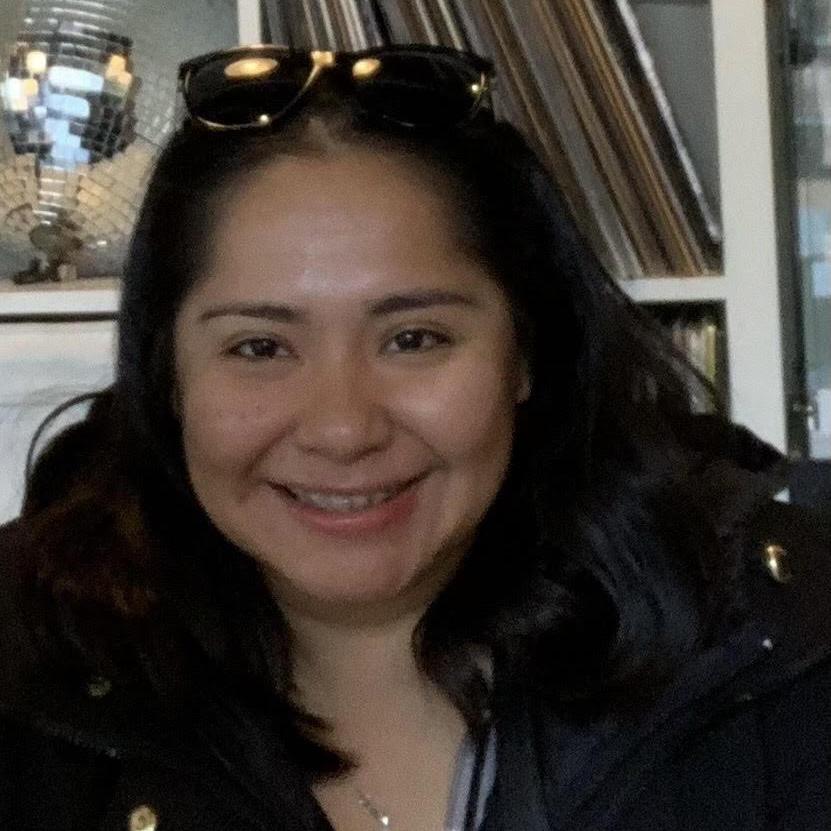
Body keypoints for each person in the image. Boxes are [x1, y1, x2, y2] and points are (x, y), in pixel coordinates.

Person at [1, 44, 829, 831]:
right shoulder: (27, 684)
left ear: (525, 353)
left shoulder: (772, 648)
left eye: (413, 338)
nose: (342, 428)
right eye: (259, 347)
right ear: (168, 377)